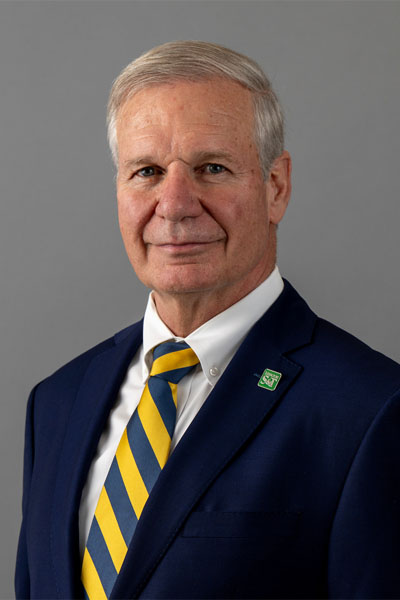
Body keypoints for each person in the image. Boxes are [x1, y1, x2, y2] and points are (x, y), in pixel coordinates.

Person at [15, 41, 400, 600]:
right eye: (146, 171)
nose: (174, 204)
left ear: (276, 187)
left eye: (211, 168)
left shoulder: (371, 411)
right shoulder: (56, 403)